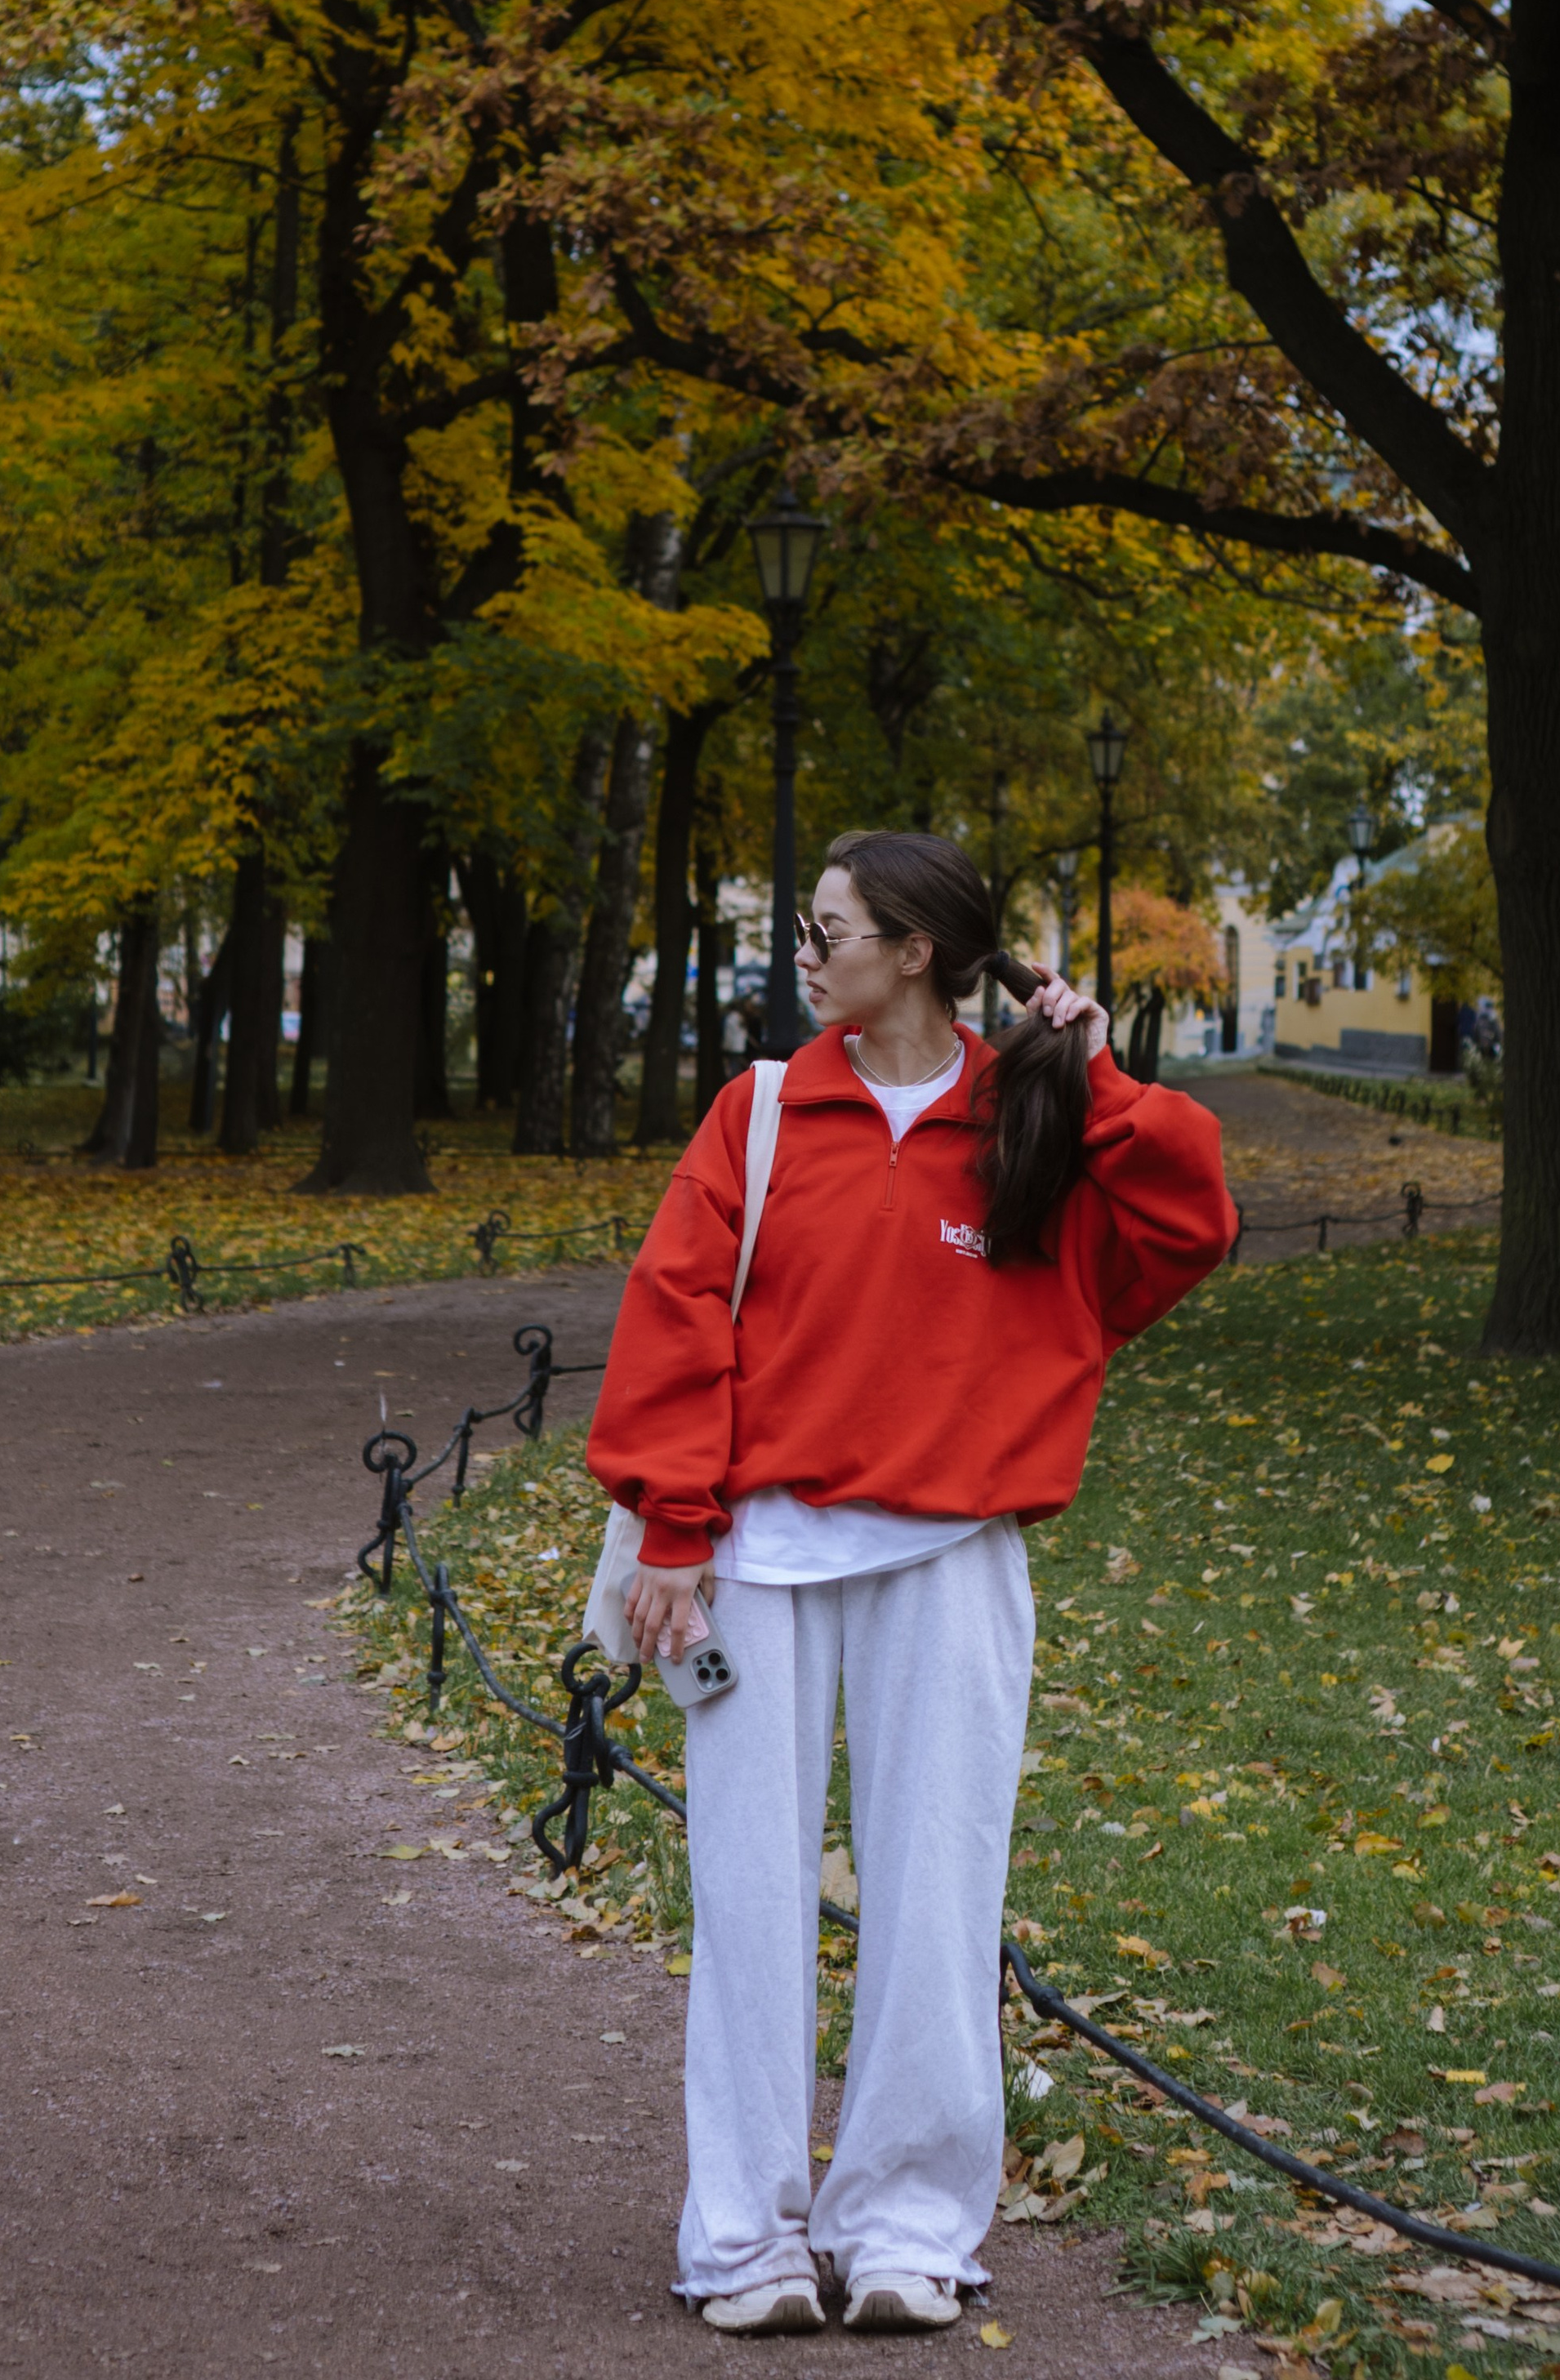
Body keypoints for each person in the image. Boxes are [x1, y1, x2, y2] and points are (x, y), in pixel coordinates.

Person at [585, 829, 1235, 2336]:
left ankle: (906, 2230)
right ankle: (743, 2234)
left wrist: (1095, 1071)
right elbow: (678, 1314)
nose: (807, 956)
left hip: (951, 1559)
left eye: (830, 931)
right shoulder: (759, 1113)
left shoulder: (1034, 1119)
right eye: (808, 930)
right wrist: (673, 1527)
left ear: (918, 951)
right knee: (746, 1902)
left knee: (938, 1900)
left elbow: (1191, 1219)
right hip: (756, 1559)